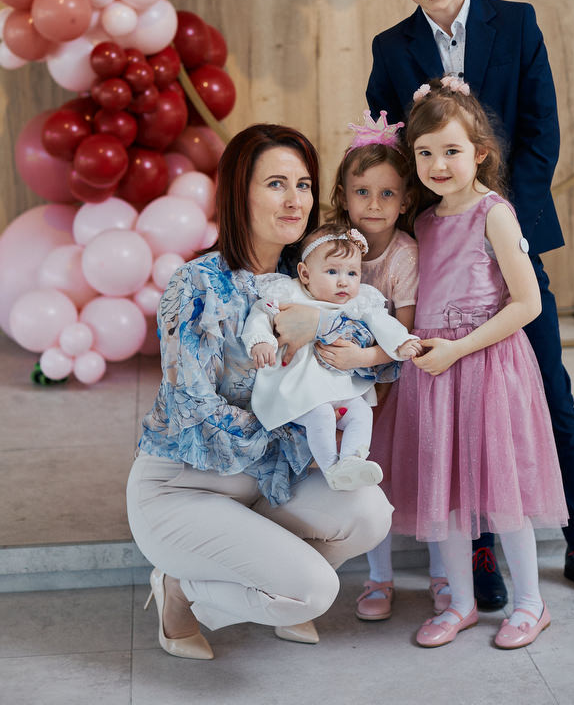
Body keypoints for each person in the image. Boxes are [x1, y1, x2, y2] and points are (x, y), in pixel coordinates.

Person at [366, 0, 574, 607]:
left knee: (551, 393)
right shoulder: (390, 49)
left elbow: (540, 131)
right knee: (460, 410)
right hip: (439, 258)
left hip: (505, 233)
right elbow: (391, 149)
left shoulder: (515, 23)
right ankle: (478, 549)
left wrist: (493, 218)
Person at [126, 124, 393, 660]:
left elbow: (370, 356)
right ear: (238, 193)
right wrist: (303, 427)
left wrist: (318, 325)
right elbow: (194, 406)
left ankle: (264, 579)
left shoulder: (314, 277)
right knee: (314, 591)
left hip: (269, 482)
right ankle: (181, 590)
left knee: (369, 514)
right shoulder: (196, 283)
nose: (295, 200)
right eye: (276, 184)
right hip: (185, 487)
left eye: (303, 184)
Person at [372, 76, 567, 648]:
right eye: (425, 153)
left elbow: (527, 303)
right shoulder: (422, 222)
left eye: (451, 151)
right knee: (446, 492)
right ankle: (460, 603)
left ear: (479, 153)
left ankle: (530, 603)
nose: (437, 165)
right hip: (434, 374)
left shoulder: (494, 213)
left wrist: (458, 348)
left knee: (506, 492)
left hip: (486, 367)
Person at [327, 110, 453, 621]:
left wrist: (363, 359)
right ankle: (378, 577)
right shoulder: (330, 247)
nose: (374, 205)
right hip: (346, 387)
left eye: (386, 194)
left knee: (422, 474)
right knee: (366, 476)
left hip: (397, 384)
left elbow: (405, 336)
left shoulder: (404, 257)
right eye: (362, 192)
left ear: (405, 200)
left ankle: (442, 573)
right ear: (343, 196)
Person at [242, 223, 421, 491]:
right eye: (332, 271)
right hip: (299, 384)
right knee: (322, 415)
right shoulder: (289, 292)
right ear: (305, 273)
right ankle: (331, 469)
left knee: (361, 412)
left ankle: (351, 460)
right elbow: (260, 314)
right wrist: (261, 341)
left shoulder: (359, 300)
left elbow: (383, 323)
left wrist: (402, 341)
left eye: (352, 273)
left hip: (340, 384)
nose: (343, 281)